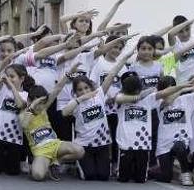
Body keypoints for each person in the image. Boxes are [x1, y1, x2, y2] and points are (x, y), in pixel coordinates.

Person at [66, 44, 135, 181]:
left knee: (103, 176)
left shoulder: (99, 95)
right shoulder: (75, 102)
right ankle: (78, 165)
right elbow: (64, 113)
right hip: (84, 146)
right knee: (90, 176)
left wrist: (125, 57)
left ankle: (99, 163)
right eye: (80, 90)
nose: (84, 91)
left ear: (91, 87)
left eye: (86, 88)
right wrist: (80, 99)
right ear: (75, 92)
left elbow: (112, 73)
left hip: (102, 144)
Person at [19, 74, 86, 182]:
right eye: (38, 103)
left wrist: (68, 75)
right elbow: (24, 124)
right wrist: (32, 106)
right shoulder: (24, 114)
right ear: (29, 101)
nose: (40, 106)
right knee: (38, 176)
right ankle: (42, 165)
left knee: (80, 151)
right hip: (40, 151)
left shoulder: (43, 109)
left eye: (42, 103)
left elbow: (57, 89)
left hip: (55, 145)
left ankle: (55, 163)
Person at [0, 64, 33, 175]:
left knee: (13, 172)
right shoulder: (2, 90)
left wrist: (11, 86)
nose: (8, 79)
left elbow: (20, 105)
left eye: (12, 77)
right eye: (7, 76)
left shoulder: (26, 95)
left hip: (15, 138)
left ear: (22, 78)